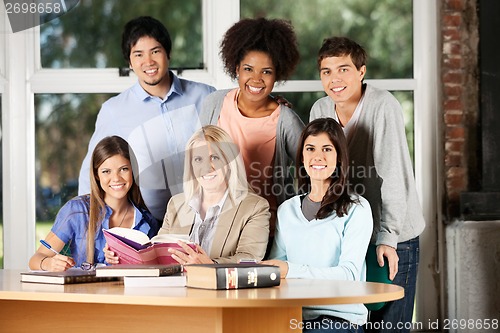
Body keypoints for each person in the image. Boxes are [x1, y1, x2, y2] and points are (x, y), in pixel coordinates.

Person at [309, 37, 425, 332]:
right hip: (350, 235)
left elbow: (393, 175)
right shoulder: (320, 110)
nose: (334, 79)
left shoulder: (383, 107)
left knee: (388, 327)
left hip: (393, 234)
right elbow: (320, 175)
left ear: (361, 71)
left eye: (343, 69)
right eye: (326, 71)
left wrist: (388, 237)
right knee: (354, 322)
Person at [78, 16, 216, 221]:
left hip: (205, 217)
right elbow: (92, 170)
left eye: (155, 51)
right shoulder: (114, 110)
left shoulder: (205, 96)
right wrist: (83, 224)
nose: (148, 62)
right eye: (138, 54)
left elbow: (228, 152)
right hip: (147, 224)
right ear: (130, 62)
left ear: (168, 53)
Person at [199, 17, 305, 241]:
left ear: (277, 74)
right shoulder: (214, 103)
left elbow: (313, 169)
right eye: (248, 69)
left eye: (266, 71)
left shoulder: (286, 120)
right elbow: (199, 160)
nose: (256, 79)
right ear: (236, 68)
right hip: (216, 224)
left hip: (265, 226)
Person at [264, 118, 373, 332]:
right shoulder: (287, 210)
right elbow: (276, 267)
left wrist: (290, 270)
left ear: (339, 157)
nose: (318, 157)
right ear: (302, 157)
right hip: (292, 315)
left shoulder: (357, 209)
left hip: (339, 319)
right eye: (310, 148)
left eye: (327, 149)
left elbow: (349, 275)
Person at [30, 136, 159, 271]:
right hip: (83, 291)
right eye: (106, 171)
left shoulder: (147, 223)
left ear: (133, 171)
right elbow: (36, 259)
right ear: (97, 175)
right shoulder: (77, 211)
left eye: (124, 169)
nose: (116, 178)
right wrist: (48, 264)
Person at [155, 125, 270, 264]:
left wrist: (210, 265)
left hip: (221, 284)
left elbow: (250, 259)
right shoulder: (176, 204)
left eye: (215, 157)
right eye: (198, 159)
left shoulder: (255, 207)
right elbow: (157, 253)